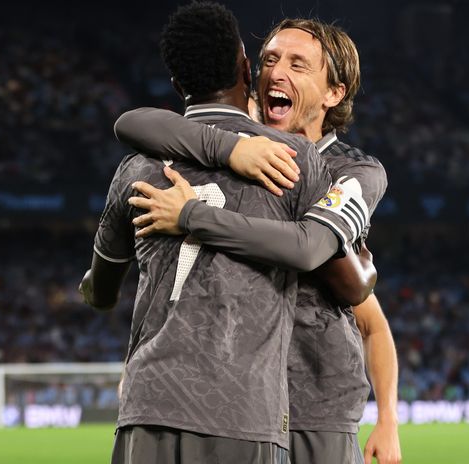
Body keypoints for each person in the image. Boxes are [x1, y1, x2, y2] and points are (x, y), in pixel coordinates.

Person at [78, 3, 367, 463]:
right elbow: (346, 280)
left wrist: (93, 287)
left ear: (176, 84)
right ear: (245, 66)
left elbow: (101, 290)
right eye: (271, 59)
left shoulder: (135, 168)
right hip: (243, 412)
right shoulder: (292, 162)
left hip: (148, 407)